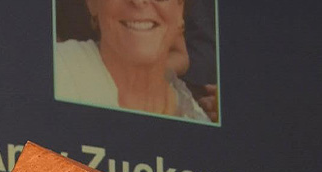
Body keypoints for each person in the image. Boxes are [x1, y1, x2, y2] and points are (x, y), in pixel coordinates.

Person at [55, 0, 211, 122]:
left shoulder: (195, 119)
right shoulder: (57, 71)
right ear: (92, 3)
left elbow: (183, 55)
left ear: (180, 9)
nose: (138, 1)